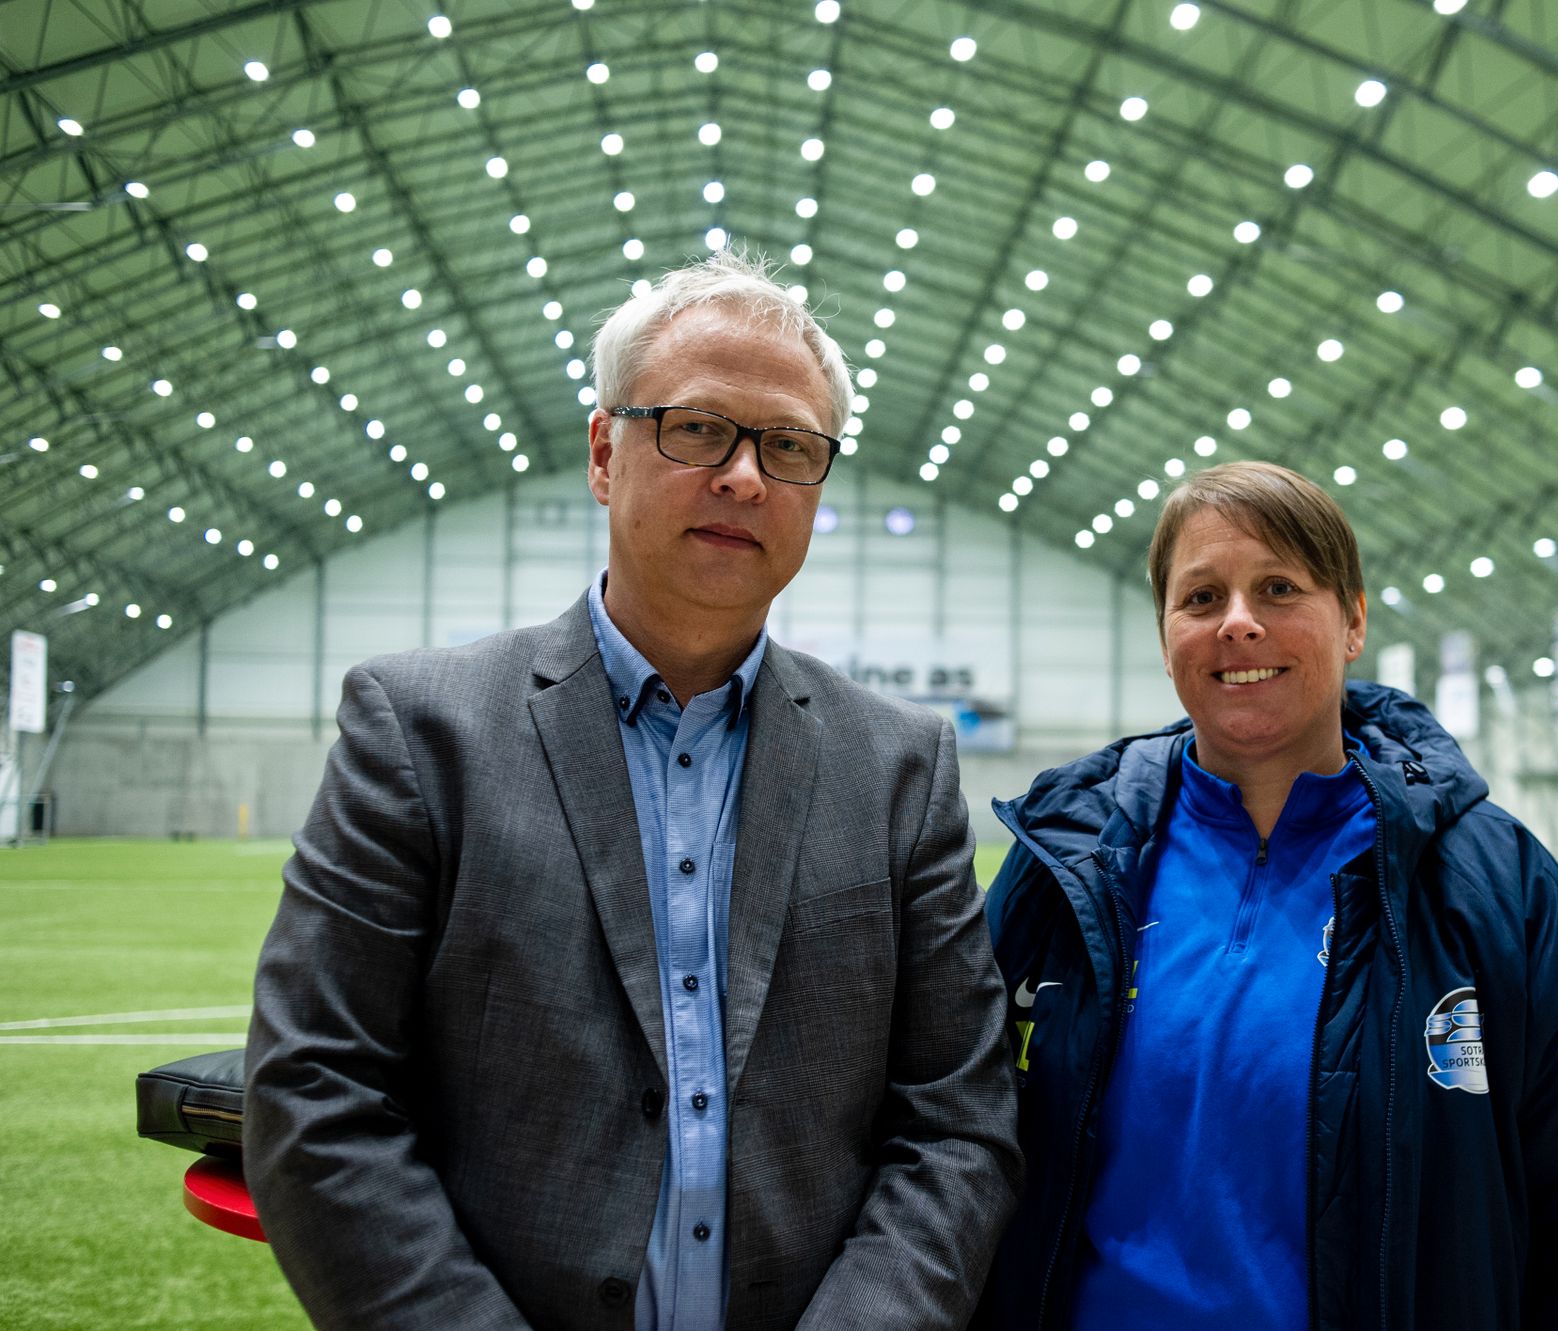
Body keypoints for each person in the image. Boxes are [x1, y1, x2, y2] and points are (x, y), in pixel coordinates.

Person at [244, 251, 1021, 1331]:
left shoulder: (898, 763)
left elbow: (955, 1120)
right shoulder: (419, 730)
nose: (745, 475)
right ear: (607, 451)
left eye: (789, 445)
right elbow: (317, 1093)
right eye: (699, 427)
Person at [979, 461, 1558, 1330]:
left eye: (1279, 587)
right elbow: (952, 1129)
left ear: (1352, 619)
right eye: (1201, 598)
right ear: (1166, 633)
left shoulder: (1493, 880)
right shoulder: (1070, 865)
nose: (1239, 623)